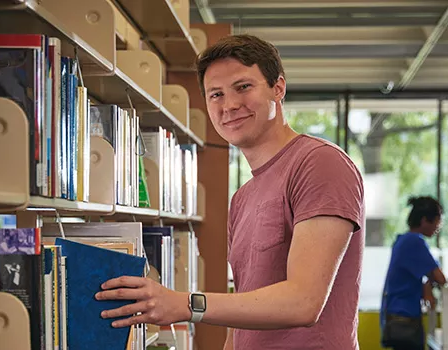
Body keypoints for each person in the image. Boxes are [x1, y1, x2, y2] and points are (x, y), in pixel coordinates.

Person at [95, 34, 366, 349]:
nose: (230, 105)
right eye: (216, 94)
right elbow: (241, 314)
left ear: (278, 88)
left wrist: (185, 304)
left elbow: (303, 301)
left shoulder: (319, 164)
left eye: (243, 87)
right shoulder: (243, 198)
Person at [381, 196, 448, 350]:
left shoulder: (402, 240)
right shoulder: (414, 241)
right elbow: (440, 278)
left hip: (396, 315)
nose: (439, 226)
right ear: (425, 220)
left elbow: (425, 275)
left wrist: (426, 284)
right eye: (438, 220)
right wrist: (429, 283)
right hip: (404, 319)